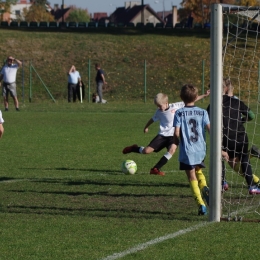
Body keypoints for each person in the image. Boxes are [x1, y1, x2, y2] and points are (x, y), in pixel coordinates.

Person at [208, 78, 260, 194]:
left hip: (223, 138)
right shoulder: (236, 102)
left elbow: (208, 124)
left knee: (220, 158)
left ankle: (222, 182)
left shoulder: (212, 105)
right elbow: (251, 115)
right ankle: (252, 186)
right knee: (244, 158)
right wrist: (240, 120)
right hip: (240, 137)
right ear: (225, 89)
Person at [173, 84, 210, 215]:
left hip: (188, 150)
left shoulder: (179, 113)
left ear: (181, 97)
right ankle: (205, 187)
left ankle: (201, 204)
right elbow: (210, 129)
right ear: (196, 97)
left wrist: (176, 142)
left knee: (191, 177)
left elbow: (176, 132)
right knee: (198, 169)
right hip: (201, 148)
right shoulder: (203, 112)